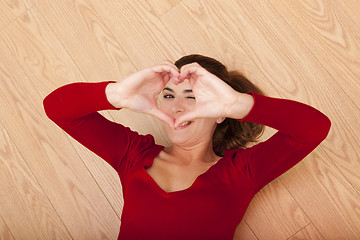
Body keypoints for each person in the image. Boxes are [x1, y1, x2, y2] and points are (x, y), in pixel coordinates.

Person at [43, 54, 331, 239]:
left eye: (192, 97)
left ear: (220, 113)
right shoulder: (133, 154)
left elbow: (314, 129)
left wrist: (238, 104)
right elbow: (56, 108)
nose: (178, 107)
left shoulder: (242, 172)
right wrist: (117, 94)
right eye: (168, 95)